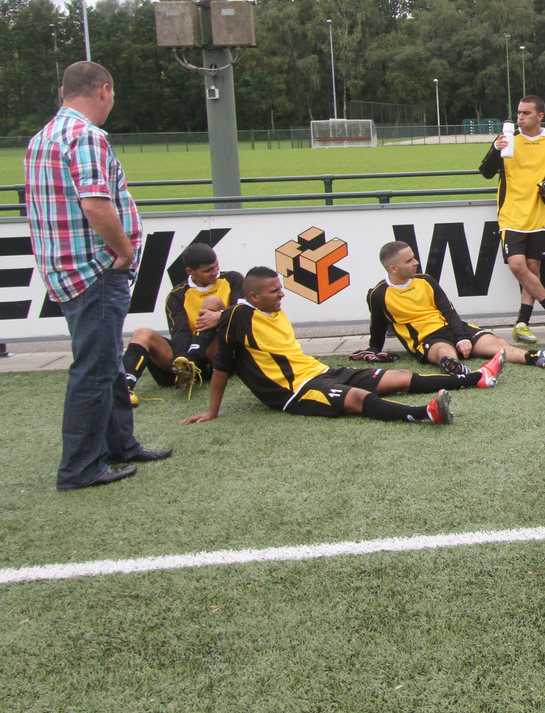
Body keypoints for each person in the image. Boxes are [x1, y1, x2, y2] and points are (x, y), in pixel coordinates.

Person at [26, 60, 169, 490]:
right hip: (95, 270)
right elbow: (95, 204)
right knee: (94, 369)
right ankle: (80, 468)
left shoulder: (43, 137)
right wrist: (124, 251)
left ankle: (119, 444)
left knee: (105, 361)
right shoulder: (85, 136)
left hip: (66, 269)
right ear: (104, 90)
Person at [182, 267, 490, 426]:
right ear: (253, 297)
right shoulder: (238, 316)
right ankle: (424, 414)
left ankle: (476, 378)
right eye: (274, 291)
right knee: (358, 398)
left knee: (398, 377)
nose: (282, 295)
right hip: (294, 391)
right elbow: (222, 364)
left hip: (319, 371)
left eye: (280, 289)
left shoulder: (268, 309)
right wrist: (212, 411)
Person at [364, 240, 545, 378]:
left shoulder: (426, 280)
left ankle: (537, 357)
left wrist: (461, 337)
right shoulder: (378, 294)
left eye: (414, 257)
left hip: (454, 327)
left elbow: (449, 311)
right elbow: (378, 326)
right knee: (444, 352)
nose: (416, 262)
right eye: (409, 260)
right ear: (393, 268)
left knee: (497, 343)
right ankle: (461, 371)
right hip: (427, 339)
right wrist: (374, 349)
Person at [480, 95, 545, 344]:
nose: (520, 117)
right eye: (519, 113)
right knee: (517, 266)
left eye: (526, 113)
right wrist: (495, 149)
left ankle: (522, 323)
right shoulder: (507, 139)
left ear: (540, 116)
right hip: (511, 214)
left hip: (539, 214)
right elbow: (486, 172)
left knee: (533, 269)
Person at [121, 242, 241, 395]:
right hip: (187, 353)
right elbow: (180, 332)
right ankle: (125, 388)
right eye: (208, 270)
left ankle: (192, 361)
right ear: (190, 271)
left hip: (222, 355)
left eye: (216, 266)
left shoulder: (233, 279)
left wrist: (220, 317)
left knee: (212, 302)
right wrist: (182, 359)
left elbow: (244, 315)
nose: (215, 272)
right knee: (141, 333)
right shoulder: (176, 295)